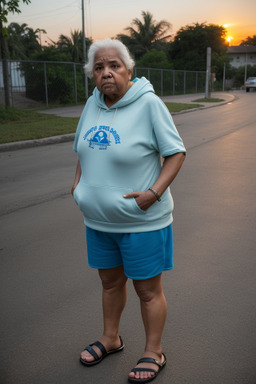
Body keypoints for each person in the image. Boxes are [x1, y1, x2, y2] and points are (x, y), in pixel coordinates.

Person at [71, 38, 186, 383]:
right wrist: (78, 186)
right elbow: (81, 149)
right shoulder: (91, 105)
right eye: (99, 67)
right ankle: (111, 338)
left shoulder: (149, 104)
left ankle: (154, 351)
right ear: (93, 74)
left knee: (147, 290)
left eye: (114, 66)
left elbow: (176, 152)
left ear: (129, 69)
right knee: (109, 284)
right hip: (98, 221)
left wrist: (154, 192)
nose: (107, 73)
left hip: (143, 222)